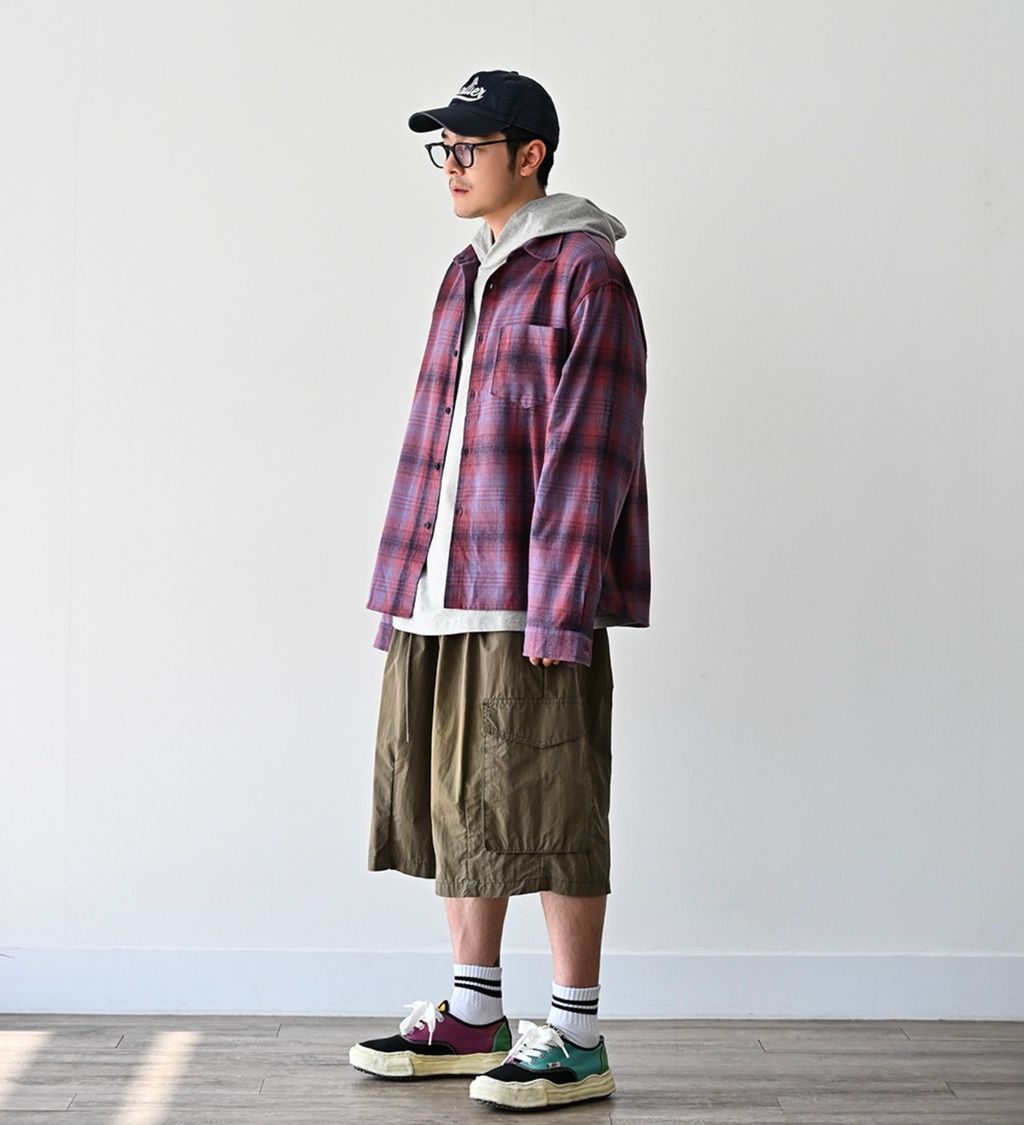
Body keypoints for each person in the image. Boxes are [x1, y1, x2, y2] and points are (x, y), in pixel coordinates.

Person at [349, 69, 650, 1112]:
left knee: (553, 804)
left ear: (531, 154)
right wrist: (401, 582)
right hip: (441, 582)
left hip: (530, 596)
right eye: (444, 147)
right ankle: (475, 1013)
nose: (452, 164)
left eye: (469, 146)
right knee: (457, 805)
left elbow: (595, 449)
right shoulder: (464, 272)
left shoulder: (585, 272)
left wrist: (562, 605)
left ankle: (577, 1036)